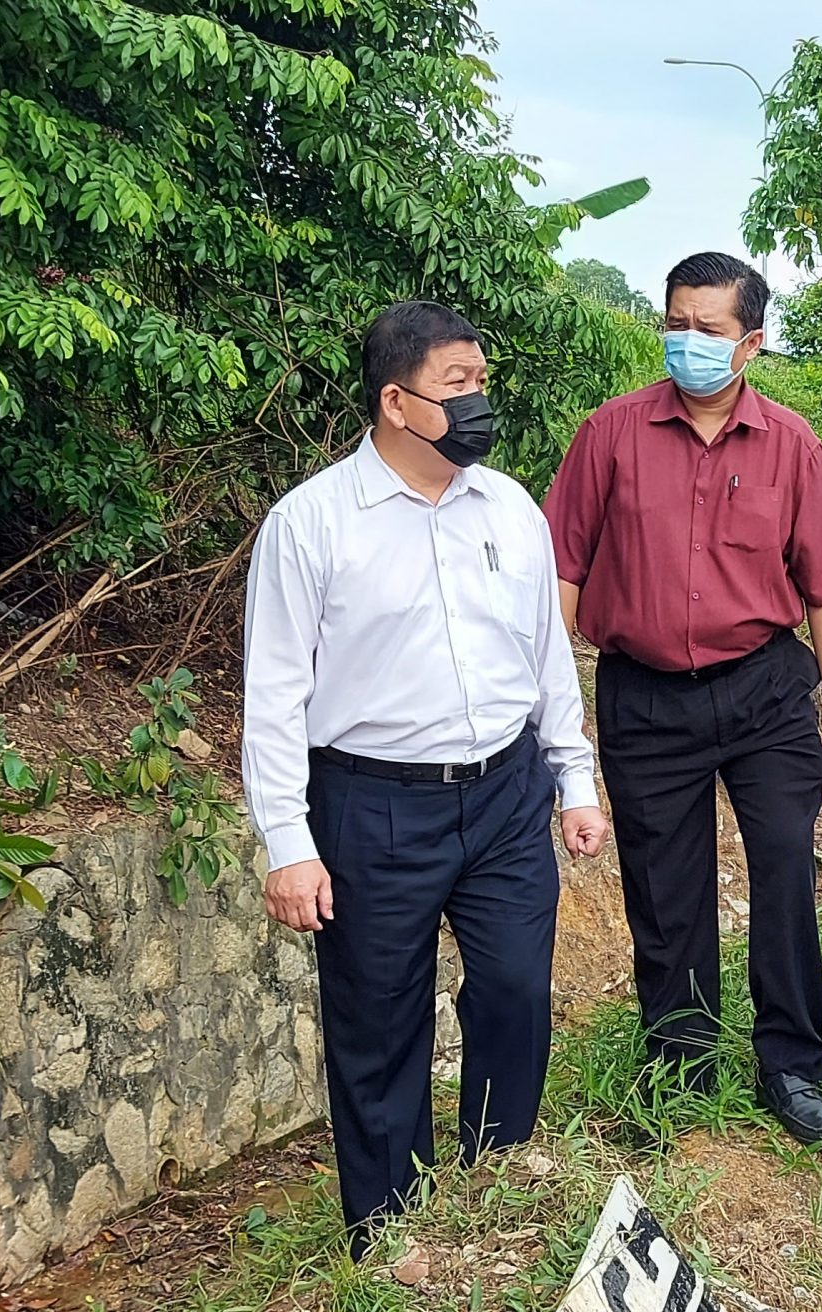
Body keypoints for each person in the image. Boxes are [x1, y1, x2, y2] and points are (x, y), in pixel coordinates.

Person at [242, 301, 610, 1256]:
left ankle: (496, 1192)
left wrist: (574, 778)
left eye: (481, 380)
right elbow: (275, 695)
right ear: (397, 402)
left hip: (502, 793)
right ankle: (392, 1238)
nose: (478, 400)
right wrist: (289, 841)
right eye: (458, 385)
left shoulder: (512, 509)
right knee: (378, 1023)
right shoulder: (311, 524)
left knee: (517, 993)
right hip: (371, 805)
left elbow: (546, 655)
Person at [544, 252, 822, 1146]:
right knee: (665, 885)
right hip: (644, 696)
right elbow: (561, 570)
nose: (686, 342)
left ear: (751, 343)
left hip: (765, 688)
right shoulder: (610, 434)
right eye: (676, 323)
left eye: (708, 329)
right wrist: (549, 701)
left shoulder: (792, 444)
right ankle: (681, 1063)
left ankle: (791, 1065)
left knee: (782, 868)